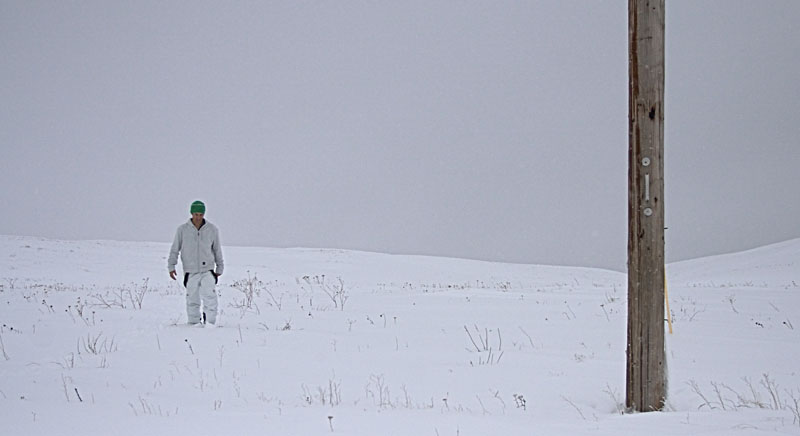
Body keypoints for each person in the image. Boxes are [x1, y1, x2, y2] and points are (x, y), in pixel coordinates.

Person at [168, 200, 224, 327]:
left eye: (200, 214)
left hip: (207, 270)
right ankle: (193, 323)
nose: (198, 217)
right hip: (190, 271)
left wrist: (219, 267)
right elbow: (175, 249)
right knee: (192, 299)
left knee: (210, 297)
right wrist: (171, 266)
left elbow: (217, 250)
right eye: (196, 214)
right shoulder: (182, 230)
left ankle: (210, 323)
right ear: (191, 213)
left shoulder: (212, 230)